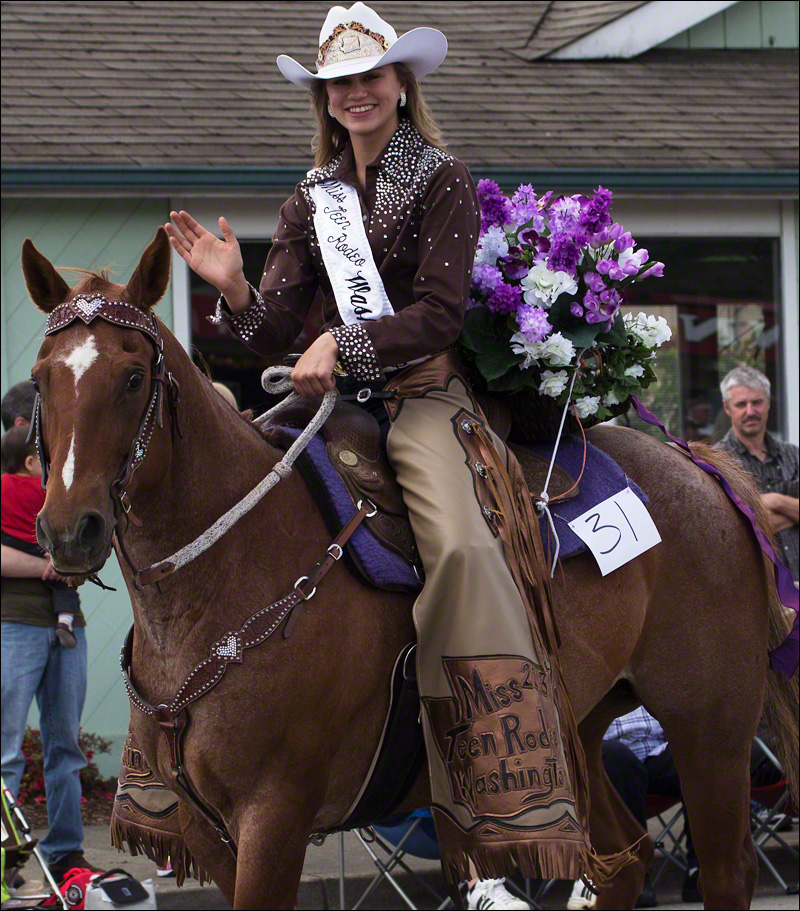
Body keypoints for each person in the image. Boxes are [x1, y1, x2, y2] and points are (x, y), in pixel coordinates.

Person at [165, 2, 591, 903]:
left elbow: (437, 313)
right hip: (328, 409)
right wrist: (234, 284)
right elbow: (270, 328)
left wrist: (344, 348)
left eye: (370, 77)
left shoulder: (441, 177)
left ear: (401, 86)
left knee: (468, 556)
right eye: (340, 83)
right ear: (324, 99)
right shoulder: (308, 199)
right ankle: (165, 777)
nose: (355, 94)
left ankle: (490, 829)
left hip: (424, 401)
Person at [1, 416, 97, 881]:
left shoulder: (56, 492)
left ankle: (66, 853)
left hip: (67, 625)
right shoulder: (8, 491)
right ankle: (4, 857)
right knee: (5, 750)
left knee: (66, 748)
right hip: (12, 624)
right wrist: (46, 568)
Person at [567, 708, 700, 910]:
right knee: (618, 758)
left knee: (697, 757)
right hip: (605, 755)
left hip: (656, 750)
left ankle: (701, 871)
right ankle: (633, 875)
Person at [715, 365, 798, 582]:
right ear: (727, 407)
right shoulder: (718, 463)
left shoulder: (794, 455)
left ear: (768, 404)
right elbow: (735, 530)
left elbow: (754, 521)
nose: (750, 411)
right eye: (741, 404)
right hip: (758, 591)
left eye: (757, 402)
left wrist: (777, 502)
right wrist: (794, 513)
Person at [1, 426, 80, 648]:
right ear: (29, 463)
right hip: (42, 545)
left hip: (12, 543)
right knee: (65, 582)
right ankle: (65, 621)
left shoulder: (2, 485)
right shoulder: (46, 488)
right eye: (44, 458)